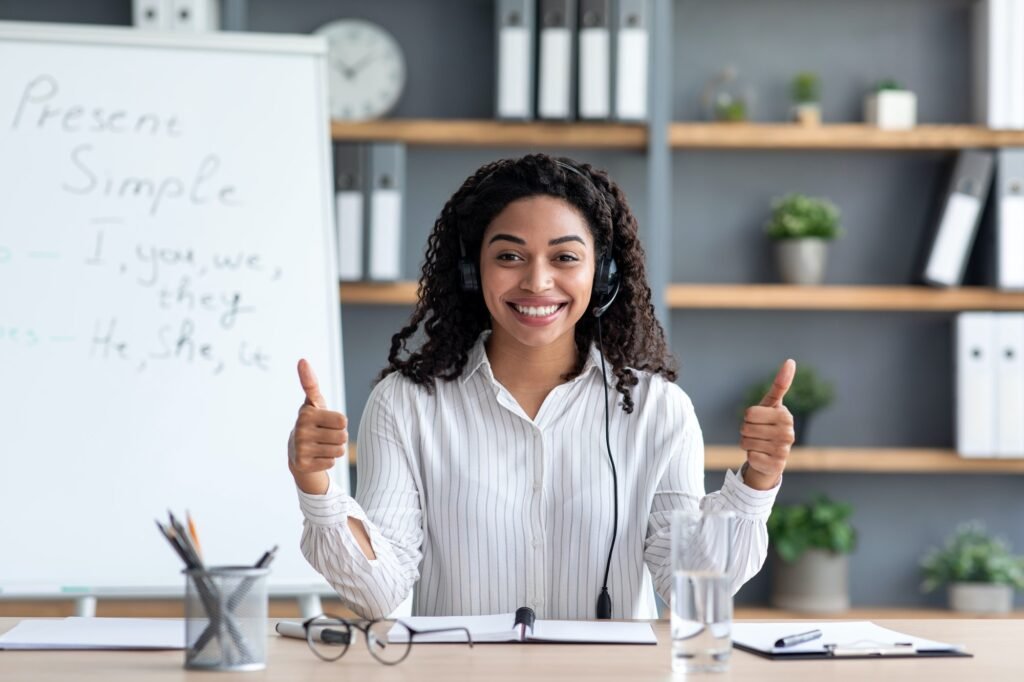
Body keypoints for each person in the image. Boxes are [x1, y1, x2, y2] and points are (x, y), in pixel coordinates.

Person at [288, 153, 795, 620]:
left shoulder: (658, 410)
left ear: (602, 275)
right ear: (472, 271)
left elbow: (689, 587)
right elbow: (380, 593)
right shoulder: (405, 404)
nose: (536, 282)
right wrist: (318, 487)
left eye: (565, 258)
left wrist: (756, 482)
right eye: (509, 256)